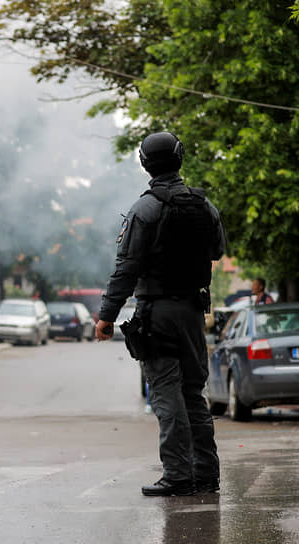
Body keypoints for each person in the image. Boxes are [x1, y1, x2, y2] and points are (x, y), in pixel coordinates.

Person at [95, 131, 226, 497]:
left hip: (158, 314)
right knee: (193, 394)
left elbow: (126, 268)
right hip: (192, 312)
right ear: (180, 158)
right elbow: (217, 250)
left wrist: (106, 315)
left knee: (166, 395)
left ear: (144, 163)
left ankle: (177, 475)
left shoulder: (144, 209)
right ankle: (206, 474)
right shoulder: (205, 207)